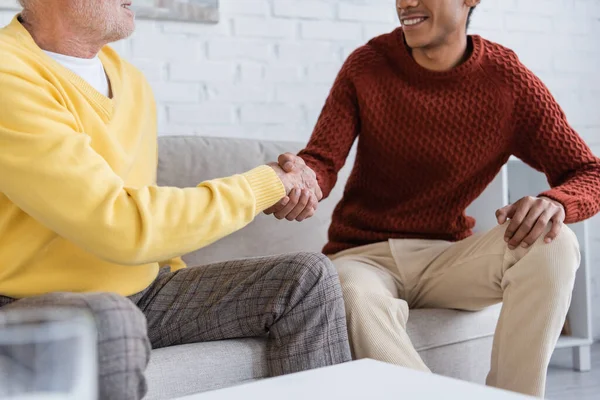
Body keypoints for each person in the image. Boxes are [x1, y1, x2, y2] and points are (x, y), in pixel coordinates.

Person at [0, 1, 351, 399]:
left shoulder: (130, 81)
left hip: (146, 290)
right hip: (24, 304)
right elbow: (122, 225)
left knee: (307, 278)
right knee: (108, 319)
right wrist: (262, 185)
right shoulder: (8, 75)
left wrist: (277, 183)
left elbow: (141, 200)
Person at [265, 0, 600, 397]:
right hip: (362, 256)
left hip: (447, 258)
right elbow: (322, 160)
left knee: (554, 241)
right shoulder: (367, 65)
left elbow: (588, 172)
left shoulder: (507, 80)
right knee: (350, 294)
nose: (405, 3)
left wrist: (557, 201)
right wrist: (296, 181)